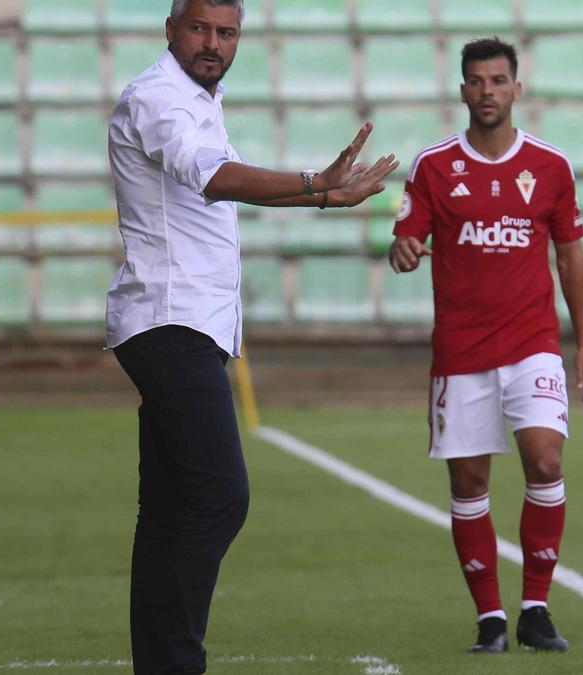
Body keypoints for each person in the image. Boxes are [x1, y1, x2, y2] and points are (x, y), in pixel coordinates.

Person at [107, 1, 398, 673]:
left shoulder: (200, 102)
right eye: (199, 28)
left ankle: (162, 663)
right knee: (219, 495)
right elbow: (212, 178)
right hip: (168, 318)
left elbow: (228, 183)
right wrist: (311, 182)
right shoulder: (159, 97)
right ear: (171, 29)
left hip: (182, 324)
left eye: (226, 32)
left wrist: (328, 196)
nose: (213, 43)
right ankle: (178, 660)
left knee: (171, 507)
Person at [388, 37, 583, 655]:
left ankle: (535, 607)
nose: (487, 91)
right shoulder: (433, 167)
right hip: (460, 352)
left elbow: (570, 255)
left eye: (498, 80)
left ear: (516, 88)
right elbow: (406, 240)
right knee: (469, 484)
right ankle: (490, 618)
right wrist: (401, 251)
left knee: (545, 461)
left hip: (533, 344)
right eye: (476, 82)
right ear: (463, 90)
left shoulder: (551, 166)